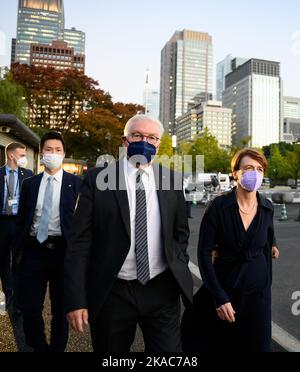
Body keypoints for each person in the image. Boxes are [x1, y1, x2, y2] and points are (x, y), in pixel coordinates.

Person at [65, 114, 193, 352]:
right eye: (137, 135)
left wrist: (178, 262)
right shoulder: (97, 179)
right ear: (125, 140)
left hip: (161, 289)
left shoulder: (172, 180)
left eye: (152, 137)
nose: (144, 141)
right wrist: (76, 299)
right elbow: (79, 242)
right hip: (113, 291)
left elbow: (180, 233)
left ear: (158, 144)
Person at [184, 148, 279, 352]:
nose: (255, 173)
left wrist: (273, 246)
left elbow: (267, 235)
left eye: (259, 168)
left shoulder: (267, 207)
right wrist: (219, 296)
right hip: (225, 289)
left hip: (258, 294)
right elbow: (203, 253)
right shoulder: (218, 207)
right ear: (235, 173)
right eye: (248, 168)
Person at [14, 132, 81, 352]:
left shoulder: (76, 184)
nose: (53, 154)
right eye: (49, 150)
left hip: (63, 251)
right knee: (30, 308)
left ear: (64, 154)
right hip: (34, 250)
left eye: (58, 150)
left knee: (61, 310)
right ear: (42, 152)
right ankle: (40, 347)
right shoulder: (29, 184)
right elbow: (22, 220)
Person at [0, 143, 33, 312]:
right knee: (3, 261)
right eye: (22, 155)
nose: (24, 159)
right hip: (2, 223)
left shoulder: (28, 175)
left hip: (20, 223)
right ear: (11, 156)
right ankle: (8, 292)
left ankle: (18, 301)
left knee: (19, 260)